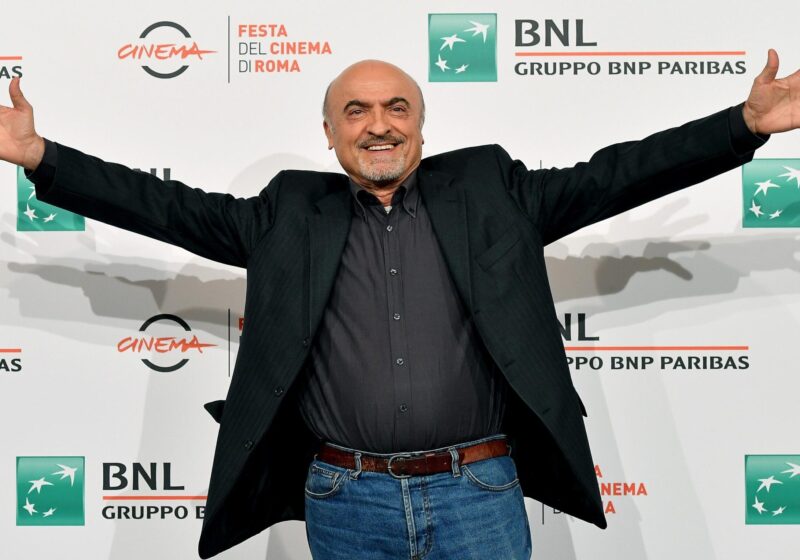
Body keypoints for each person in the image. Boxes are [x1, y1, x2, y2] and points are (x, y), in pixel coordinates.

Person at [1, 53, 797, 559]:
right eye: (356, 112)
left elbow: (616, 174)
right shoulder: (286, 212)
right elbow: (162, 206)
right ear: (329, 133)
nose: (377, 126)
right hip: (344, 499)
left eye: (395, 109)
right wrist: (41, 156)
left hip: (478, 494)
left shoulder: (492, 190)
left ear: (420, 124)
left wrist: (742, 126)